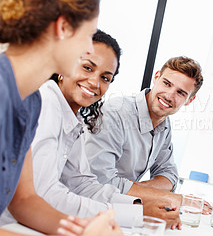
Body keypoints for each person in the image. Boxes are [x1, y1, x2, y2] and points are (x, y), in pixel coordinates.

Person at [0, 0, 123, 236]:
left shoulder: (29, 100)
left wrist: (83, 230)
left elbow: (25, 200)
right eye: (87, 35)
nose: (88, 47)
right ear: (63, 27)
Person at [0, 29, 181, 229]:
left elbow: (81, 184)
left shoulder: (71, 115)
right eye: (87, 68)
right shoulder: (46, 102)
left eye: (105, 78)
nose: (95, 82)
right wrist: (136, 214)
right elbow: (46, 194)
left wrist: (138, 205)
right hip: (8, 227)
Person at [85, 56, 204, 201]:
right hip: (85, 208)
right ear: (156, 77)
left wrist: (139, 190)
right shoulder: (115, 113)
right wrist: (169, 197)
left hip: (119, 209)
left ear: (189, 100)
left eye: (180, 93)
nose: (168, 96)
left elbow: (169, 176)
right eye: (166, 84)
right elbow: (100, 182)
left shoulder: (164, 124)